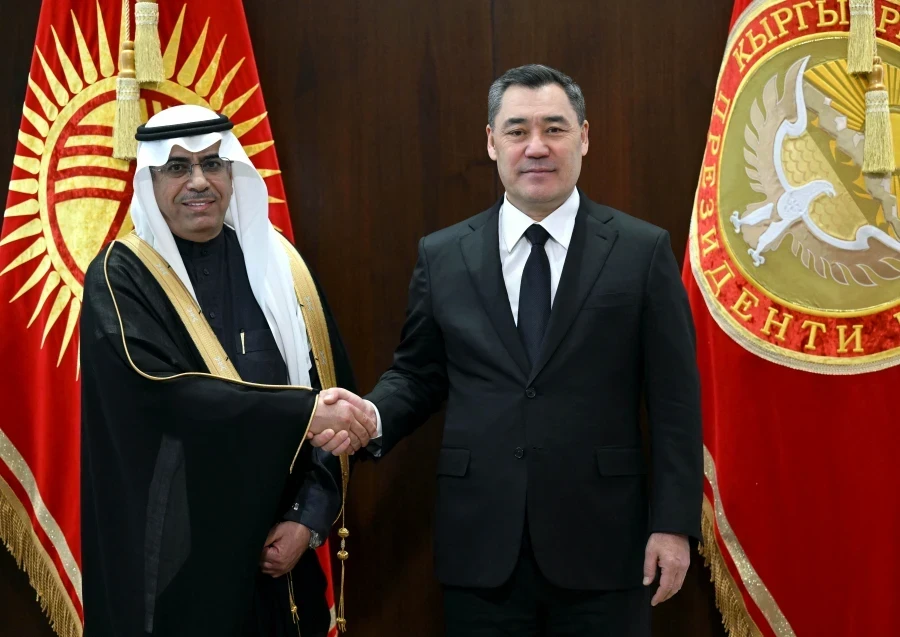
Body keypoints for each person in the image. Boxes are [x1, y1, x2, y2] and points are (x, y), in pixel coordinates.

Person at [321, 64, 703, 636]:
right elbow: (419, 374)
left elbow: (675, 403)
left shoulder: (641, 250)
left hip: (605, 544)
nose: (537, 147)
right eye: (518, 130)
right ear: (491, 142)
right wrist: (370, 416)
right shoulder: (443, 255)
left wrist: (673, 525)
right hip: (481, 546)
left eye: (555, 128)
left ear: (584, 137)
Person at [80, 105, 373, 637]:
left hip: (280, 564)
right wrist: (302, 413)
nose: (199, 182)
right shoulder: (119, 279)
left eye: (212, 164)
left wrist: (306, 519)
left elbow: (334, 399)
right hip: (179, 566)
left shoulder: (281, 269)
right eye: (177, 168)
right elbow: (161, 399)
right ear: (150, 181)